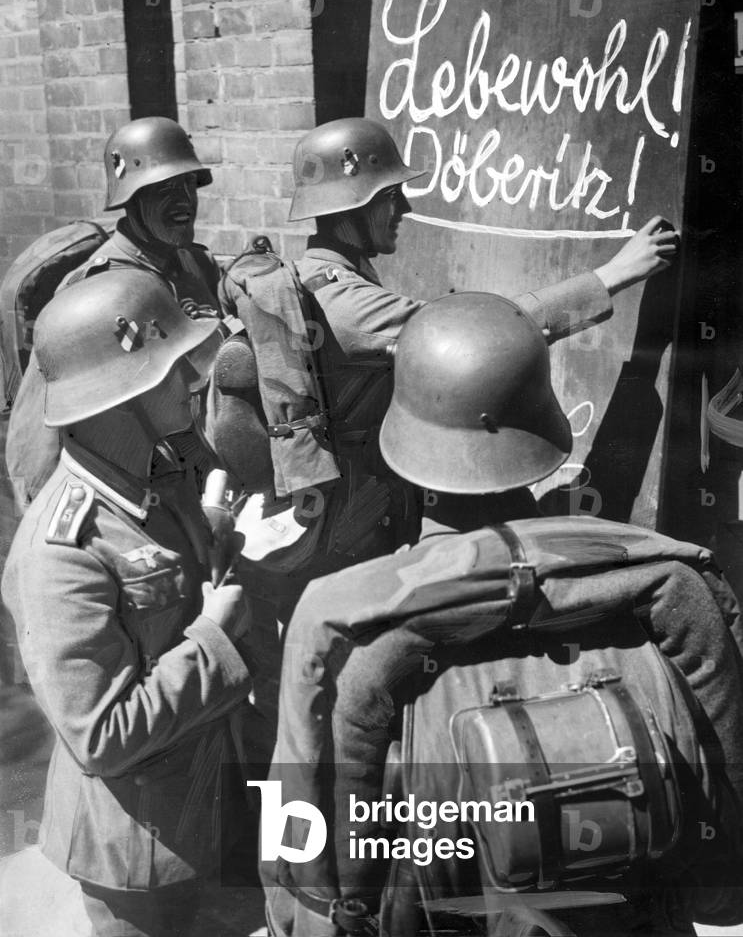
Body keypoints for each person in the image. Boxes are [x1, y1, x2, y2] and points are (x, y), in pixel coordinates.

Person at [264, 293, 743, 937]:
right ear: (544, 427)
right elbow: (725, 842)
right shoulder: (667, 583)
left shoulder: (341, 621)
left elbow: (312, 869)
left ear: (402, 440)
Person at [218, 117, 679, 621]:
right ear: (355, 205)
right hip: (359, 526)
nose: (405, 209)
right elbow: (480, 333)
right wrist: (612, 276)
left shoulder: (325, 281)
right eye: (392, 197)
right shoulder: (344, 304)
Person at [1, 270, 268, 937]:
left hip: (207, 798)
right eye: (174, 369)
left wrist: (218, 527)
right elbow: (103, 733)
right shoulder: (59, 552)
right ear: (122, 394)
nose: (193, 382)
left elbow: (173, 565)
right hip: (139, 851)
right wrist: (216, 635)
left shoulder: (153, 471)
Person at [5, 116, 221, 510]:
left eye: (189, 185)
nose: (184, 202)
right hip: (136, 491)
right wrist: (45, 511)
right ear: (132, 198)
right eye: (165, 189)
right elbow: (40, 425)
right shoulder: (90, 292)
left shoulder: (194, 266)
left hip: (203, 473)